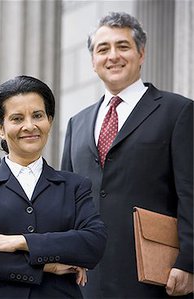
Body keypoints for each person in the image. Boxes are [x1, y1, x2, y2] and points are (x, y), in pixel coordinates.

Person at [61, 12, 193, 298]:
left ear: (141, 53)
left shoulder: (178, 112)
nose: (113, 56)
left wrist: (189, 262)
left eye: (123, 46)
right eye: (103, 49)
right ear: (92, 61)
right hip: (88, 279)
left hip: (156, 277)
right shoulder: (77, 123)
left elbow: (191, 193)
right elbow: (67, 200)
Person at [0, 75, 107, 298]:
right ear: (0, 128)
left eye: (37, 115)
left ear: (49, 121)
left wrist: (18, 242)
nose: (29, 126)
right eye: (17, 118)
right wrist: (48, 265)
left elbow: (93, 243)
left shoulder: (75, 186)